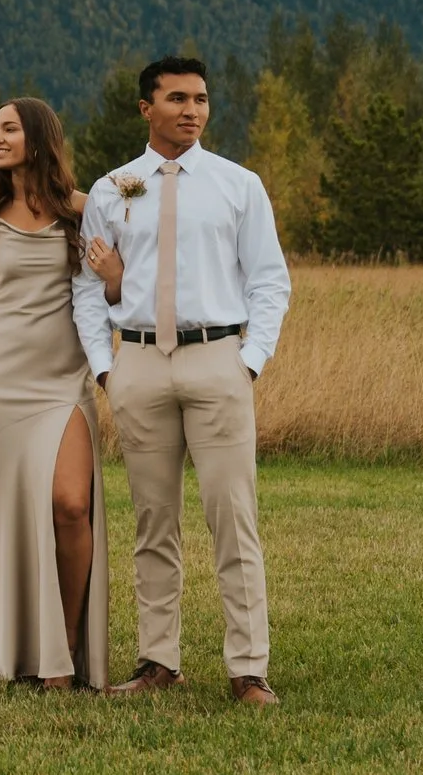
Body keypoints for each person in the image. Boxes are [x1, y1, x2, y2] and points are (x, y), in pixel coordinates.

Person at [80, 55, 291, 707]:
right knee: (152, 520)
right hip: (138, 362)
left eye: (201, 98)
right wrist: (107, 368)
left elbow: (268, 279)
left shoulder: (238, 184)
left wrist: (248, 358)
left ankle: (248, 666)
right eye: (177, 98)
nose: (193, 109)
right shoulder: (112, 190)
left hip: (216, 357)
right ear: (147, 108)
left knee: (233, 515)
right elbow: (88, 290)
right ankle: (158, 660)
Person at [0, 97, 112, 689]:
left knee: (70, 504)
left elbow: (117, 292)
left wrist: (115, 277)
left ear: (38, 137)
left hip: (64, 379)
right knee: (6, 518)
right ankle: (17, 653)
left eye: (8, 129)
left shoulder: (86, 212)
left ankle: (65, 648)